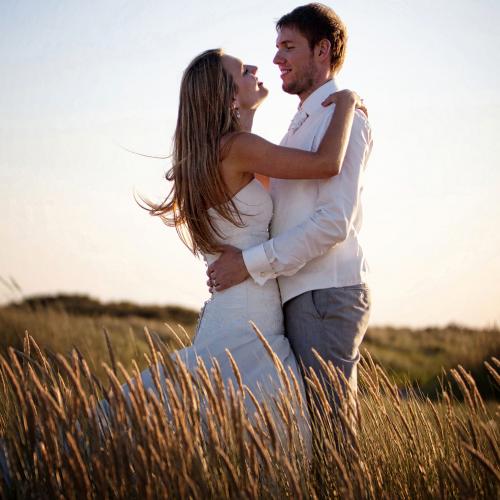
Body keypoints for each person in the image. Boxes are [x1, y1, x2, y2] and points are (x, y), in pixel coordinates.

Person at [132, 46, 365, 441]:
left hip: (234, 310)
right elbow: (327, 164)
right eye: (243, 70)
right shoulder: (237, 149)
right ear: (228, 95)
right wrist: (348, 103)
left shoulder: (215, 154)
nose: (257, 68)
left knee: (218, 431)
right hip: (249, 318)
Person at [207, 4, 373, 415]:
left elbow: (334, 223)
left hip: (324, 292)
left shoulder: (342, 119)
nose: (276, 59)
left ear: (323, 51)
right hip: (295, 293)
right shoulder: (304, 122)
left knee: (331, 432)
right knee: (306, 432)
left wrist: (249, 263)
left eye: (288, 47)